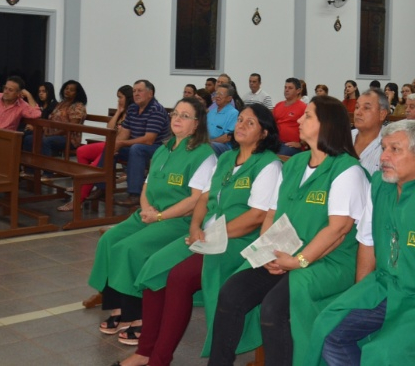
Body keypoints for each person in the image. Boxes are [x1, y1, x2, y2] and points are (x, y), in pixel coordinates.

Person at [207, 96, 369, 366]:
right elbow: (272, 213)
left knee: (273, 308)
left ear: (327, 125)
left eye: (308, 116)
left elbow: (338, 230)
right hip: (285, 251)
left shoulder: (347, 170)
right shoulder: (294, 163)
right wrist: (268, 250)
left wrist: (297, 261)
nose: (299, 120)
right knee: (232, 292)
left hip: (329, 260)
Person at [116, 105, 284, 366]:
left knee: (180, 277)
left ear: (264, 132)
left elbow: (256, 217)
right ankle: (144, 351)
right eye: (239, 120)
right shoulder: (227, 158)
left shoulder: (268, 165)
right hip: (207, 235)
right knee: (153, 270)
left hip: (239, 240)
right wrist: (196, 228)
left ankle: (159, 359)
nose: (240, 126)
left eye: (249, 123)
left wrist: (211, 235)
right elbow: (204, 198)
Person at [311, 121, 415, 365]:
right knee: (327, 328)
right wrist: (360, 296)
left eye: (395, 150)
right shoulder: (380, 184)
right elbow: (367, 242)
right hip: (386, 287)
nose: (384, 157)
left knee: (384, 353)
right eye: (383, 148)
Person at [88, 97, 217, 344]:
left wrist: (159, 216)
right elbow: (147, 185)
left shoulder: (204, 155)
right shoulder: (163, 148)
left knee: (129, 248)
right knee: (109, 240)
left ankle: (137, 317)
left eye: (185, 116)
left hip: (177, 220)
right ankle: (117, 308)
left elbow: (195, 200)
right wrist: (146, 209)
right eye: (175, 114)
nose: (177, 119)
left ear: (197, 123)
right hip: (149, 214)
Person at [60, 84, 132, 211]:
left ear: (128, 98)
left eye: (120, 97)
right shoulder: (122, 112)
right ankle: (85, 184)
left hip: (121, 147)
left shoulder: (133, 112)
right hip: (111, 143)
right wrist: (118, 112)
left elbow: (123, 137)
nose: (118, 100)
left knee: (94, 167)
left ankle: (78, 199)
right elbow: (109, 128)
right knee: (82, 151)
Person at [116, 80, 172, 208]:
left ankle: (135, 194)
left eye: (139, 91)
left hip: (159, 148)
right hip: (138, 146)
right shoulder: (132, 108)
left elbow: (149, 140)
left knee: (137, 149)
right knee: (110, 147)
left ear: (150, 94)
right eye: (134, 91)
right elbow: (124, 133)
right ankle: (101, 187)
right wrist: (116, 144)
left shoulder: (156, 109)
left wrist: (122, 143)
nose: (136, 94)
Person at [21, 79, 87, 156]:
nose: (67, 91)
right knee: (28, 138)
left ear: (77, 93)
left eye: (71, 90)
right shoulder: (62, 103)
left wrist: (54, 134)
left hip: (68, 138)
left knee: (45, 141)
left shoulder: (78, 106)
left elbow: (72, 127)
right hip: (52, 134)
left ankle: (46, 165)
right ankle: (29, 166)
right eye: (66, 88)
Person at [352, 90, 389, 174]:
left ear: (382, 114)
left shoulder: (390, 143)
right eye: (357, 107)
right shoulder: (343, 138)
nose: (358, 112)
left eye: (366, 108)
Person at [274, 78, 307, 156]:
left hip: (290, 145)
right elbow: (271, 124)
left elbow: (309, 128)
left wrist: (301, 144)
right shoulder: (278, 105)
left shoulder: (303, 107)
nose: (286, 90)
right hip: (276, 142)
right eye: (285, 87)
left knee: (280, 156)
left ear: (298, 91)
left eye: (290, 88)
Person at [207, 84, 240, 155]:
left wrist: (210, 142)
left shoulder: (233, 113)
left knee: (208, 146)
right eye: (217, 93)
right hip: (208, 143)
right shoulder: (211, 112)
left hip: (224, 147)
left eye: (221, 94)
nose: (217, 96)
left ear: (229, 98)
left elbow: (227, 137)